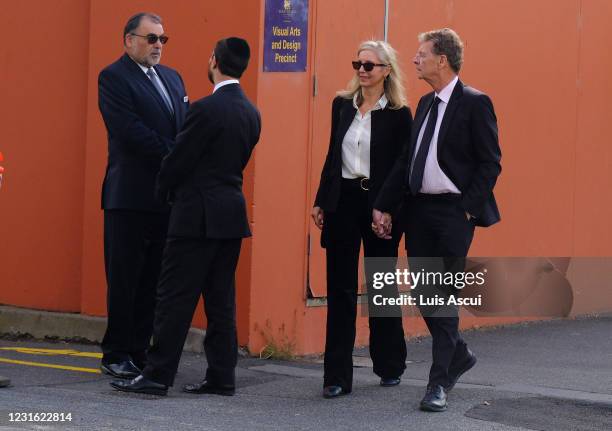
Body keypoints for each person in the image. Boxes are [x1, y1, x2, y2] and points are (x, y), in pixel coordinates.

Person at [110, 37, 261, 396]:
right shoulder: (251, 111)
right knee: (221, 301)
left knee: (174, 298)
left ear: (214, 61)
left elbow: (177, 161)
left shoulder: (206, 109)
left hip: (195, 215)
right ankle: (222, 376)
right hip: (230, 214)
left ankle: (157, 375)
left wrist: (164, 191)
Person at [373, 28, 501, 412]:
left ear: (442, 59)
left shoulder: (476, 103)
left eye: (421, 54)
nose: (414, 60)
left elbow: (490, 161)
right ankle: (458, 353)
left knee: (440, 294)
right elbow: (406, 162)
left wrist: (468, 208)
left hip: (453, 213)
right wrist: (384, 204)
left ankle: (439, 382)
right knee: (426, 294)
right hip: (420, 211)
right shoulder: (425, 104)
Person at [311, 41, 412, 398]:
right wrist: (322, 200)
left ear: (387, 70)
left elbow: (403, 166)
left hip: (379, 204)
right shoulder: (342, 105)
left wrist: (386, 206)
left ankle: (389, 364)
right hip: (343, 201)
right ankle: (336, 376)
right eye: (358, 63)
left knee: (381, 284)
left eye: (370, 64)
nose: (363, 70)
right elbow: (331, 155)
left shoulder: (399, 114)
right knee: (340, 288)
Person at [98, 12, 189, 379]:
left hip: (164, 197)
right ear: (129, 40)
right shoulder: (114, 77)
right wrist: (178, 156)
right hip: (130, 196)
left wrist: (183, 155)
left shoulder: (172, 78)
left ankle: (138, 350)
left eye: (162, 40)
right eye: (151, 39)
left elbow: (184, 126)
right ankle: (116, 352)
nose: (157, 46)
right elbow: (128, 131)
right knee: (125, 278)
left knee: (154, 279)